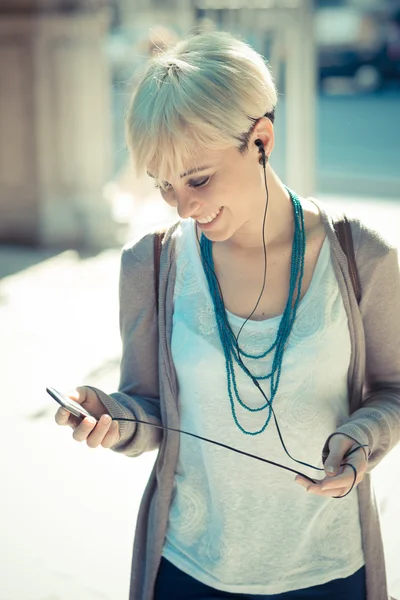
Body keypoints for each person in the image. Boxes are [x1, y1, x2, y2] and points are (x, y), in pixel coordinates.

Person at [54, 31, 400, 600]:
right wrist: (113, 418)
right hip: (189, 569)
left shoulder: (362, 256)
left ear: (260, 139)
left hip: (329, 571)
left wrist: (361, 442)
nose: (185, 206)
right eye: (164, 186)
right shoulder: (153, 264)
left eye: (198, 179)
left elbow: (391, 390)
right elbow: (151, 412)